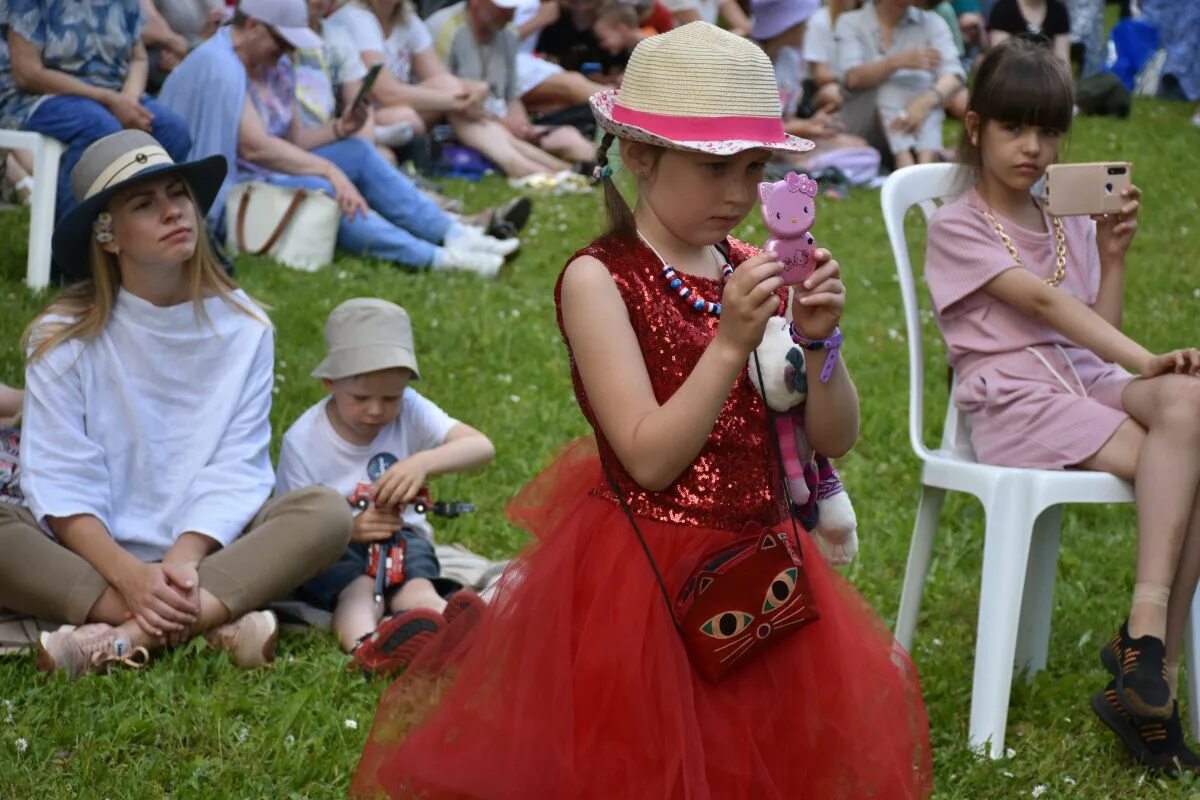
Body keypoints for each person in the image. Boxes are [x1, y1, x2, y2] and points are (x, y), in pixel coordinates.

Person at [351, 23, 931, 799]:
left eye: (753, 168)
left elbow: (835, 437)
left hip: (762, 563)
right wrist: (729, 345)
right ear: (641, 157)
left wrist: (822, 346)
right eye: (713, 166)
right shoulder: (601, 279)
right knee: (649, 762)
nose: (736, 192)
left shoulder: (755, 268)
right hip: (651, 577)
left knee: (765, 755)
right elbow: (649, 458)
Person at [923, 39, 1200, 771]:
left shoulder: (1065, 217)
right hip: (1014, 397)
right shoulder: (957, 225)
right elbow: (1042, 302)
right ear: (976, 127)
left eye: (1048, 131)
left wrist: (1112, 257)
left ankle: (1145, 660)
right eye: (1015, 128)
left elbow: (1091, 324)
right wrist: (1145, 357)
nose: (1034, 147)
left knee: (1191, 403)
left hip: (1082, 378)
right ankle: (1153, 675)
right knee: (1189, 467)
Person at [0, 130, 353, 679]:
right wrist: (127, 575)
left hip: (207, 548)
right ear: (108, 234)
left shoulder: (244, 328)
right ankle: (214, 623)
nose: (173, 212)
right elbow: (60, 476)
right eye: (146, 204)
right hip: (91, 552)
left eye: (178, 194)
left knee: (326, 514)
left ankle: (118, 640)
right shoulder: (61, 336)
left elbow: (237, 466)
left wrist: (181, 561)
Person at [160, 0, 516, 277]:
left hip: (263, 172)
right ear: (252, 26)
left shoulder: (276, 65)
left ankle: (454, 235)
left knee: (358, 152)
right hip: (229, 192)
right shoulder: (220, 64)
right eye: (282, 43)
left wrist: (339, 130)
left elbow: (294, 139)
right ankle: (439, 259)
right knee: (326, 190)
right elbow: (256, 146)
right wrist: (329, 171)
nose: (288, 54)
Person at [275, 298, 495, 670]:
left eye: (390, 397)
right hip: (337, 548)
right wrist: (349, 529)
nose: (377, 410)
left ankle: (453, 632)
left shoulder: (410, 408)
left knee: (418, 587)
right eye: (361, 398)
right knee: (359, 591)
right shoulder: (304, 440)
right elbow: (289, 528)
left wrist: (422, 462)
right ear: (330, 382)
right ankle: (367, 646)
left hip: (402, 535)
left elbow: (481, 448)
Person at [0, 1, 192, 231]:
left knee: (173, 132)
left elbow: (138, 58)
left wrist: (129, 100)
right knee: (100, 131)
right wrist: (110, 100)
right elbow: (27, 73)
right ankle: (70, 253)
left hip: (115, 94)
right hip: (40, 96)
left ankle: (145, 242)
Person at [331, 0, 572, 178]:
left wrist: (471, 91)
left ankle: (540, 167)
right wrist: (457, 99)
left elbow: (440, 78)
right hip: (365, 120)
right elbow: (385, 92)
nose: (509, 13)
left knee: (448, 89)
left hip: (411, 112)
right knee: (429, 105)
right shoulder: (357, 18)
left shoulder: (406, 17)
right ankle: (531, 167)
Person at [427, 0, 597, 165]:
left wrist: (521, 124)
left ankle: (595, 167)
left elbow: (511, 94)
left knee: (569, 137)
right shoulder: (445, 28)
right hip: (460, 122)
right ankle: (560, 170)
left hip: (498, 119)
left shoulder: (508, 33)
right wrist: (499, 121)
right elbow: (442, 95)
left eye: (514, 7)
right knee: (496, 135)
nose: (510, 13)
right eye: (503, 8)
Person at [834, 0, 965, 167]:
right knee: (890, 89)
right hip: (864, 125)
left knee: (930, 93)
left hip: (917, 119)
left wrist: (924, 101)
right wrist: (895, 62)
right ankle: (910, 161)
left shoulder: (933, 22)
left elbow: (954, 75)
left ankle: (922, 163)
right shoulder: (850, 22)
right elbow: (852, 78)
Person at [986, 0, 1071, 67]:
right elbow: (1000, 58)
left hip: (1048, 78)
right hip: (1012, 77)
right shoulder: (1002, 9)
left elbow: (1062, 59)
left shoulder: (1058, 10)